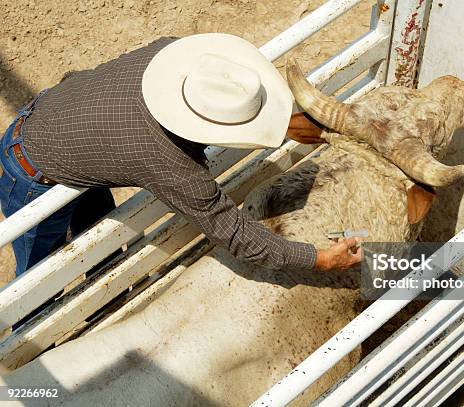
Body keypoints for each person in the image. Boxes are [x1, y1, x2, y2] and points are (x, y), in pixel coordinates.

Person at [0, 33, 362, 278]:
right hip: (34, 173)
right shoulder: (170, 162)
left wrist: (285, 123)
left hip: (59, 118)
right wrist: (319, 258)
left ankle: (101, 300)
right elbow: (233, 231)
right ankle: (28, 344)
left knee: (100, 243)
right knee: (37, 276)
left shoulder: (171, 54)